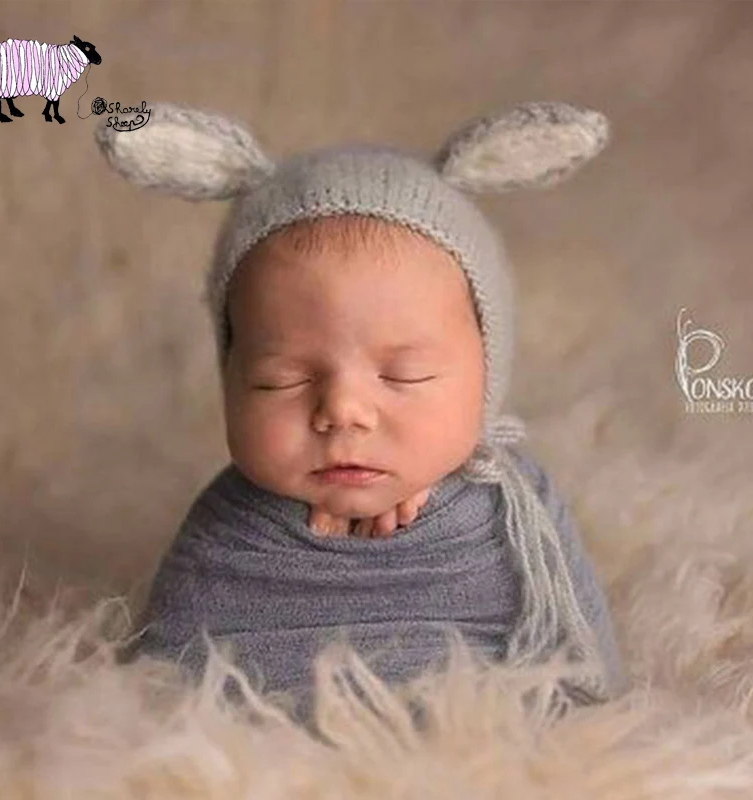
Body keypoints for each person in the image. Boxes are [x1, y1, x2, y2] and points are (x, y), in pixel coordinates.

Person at [96, 99, 629, 735]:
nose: (343, 412)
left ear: (487, 377)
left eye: (404, 376)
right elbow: (164, 680)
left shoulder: (512, 510)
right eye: (282, 378)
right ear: (231, 375)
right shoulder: (228, 530)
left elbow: (583, 661)